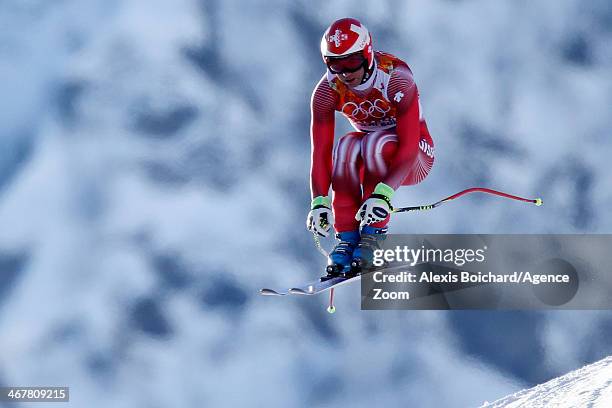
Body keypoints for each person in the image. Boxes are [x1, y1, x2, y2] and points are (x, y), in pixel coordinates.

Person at [306, 17, 435, 277]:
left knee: (374, 142)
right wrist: (319, 201)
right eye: (335, 64)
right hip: (369, 153)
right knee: (347, 145)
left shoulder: (396, 77)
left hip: (414, 156)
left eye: (351, 62)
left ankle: (374, 236)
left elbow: (409, 145)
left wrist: (383, 195)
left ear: (367, 53)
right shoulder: (326, 92)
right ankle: (348, 239)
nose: (345, 73)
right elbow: (320, 153)